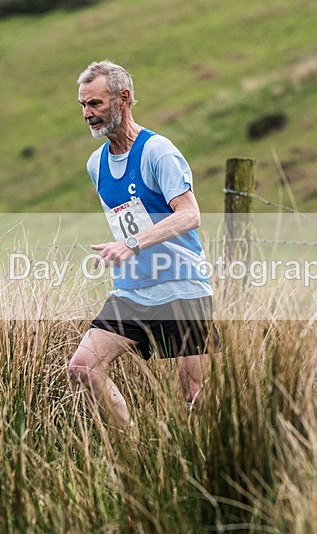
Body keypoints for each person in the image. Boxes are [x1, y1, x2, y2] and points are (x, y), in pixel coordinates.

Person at [67, 60, 216, 432]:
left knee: (194, 392)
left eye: (96, 104)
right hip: (133, 291)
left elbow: (189, 215)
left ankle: (208, 465)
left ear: (124, 99)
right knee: (83, 367)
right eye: (83, 105)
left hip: (183, 286)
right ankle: (133, 451)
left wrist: (132, 243)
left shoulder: (158, 151)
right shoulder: (96, 164)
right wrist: (123, 252)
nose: (87, 114)